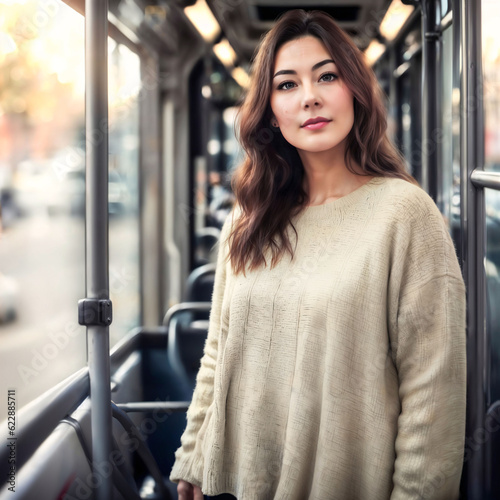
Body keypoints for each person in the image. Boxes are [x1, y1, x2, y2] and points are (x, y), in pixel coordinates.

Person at [170, 9, 466, 500]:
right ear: (269, 111)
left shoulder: (405, 214)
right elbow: (220, 348)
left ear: (354, 89)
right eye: (286, 85)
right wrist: (193, 452)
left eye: (327, 76)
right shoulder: (248, 217)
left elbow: (433, 391)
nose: (309, 97)